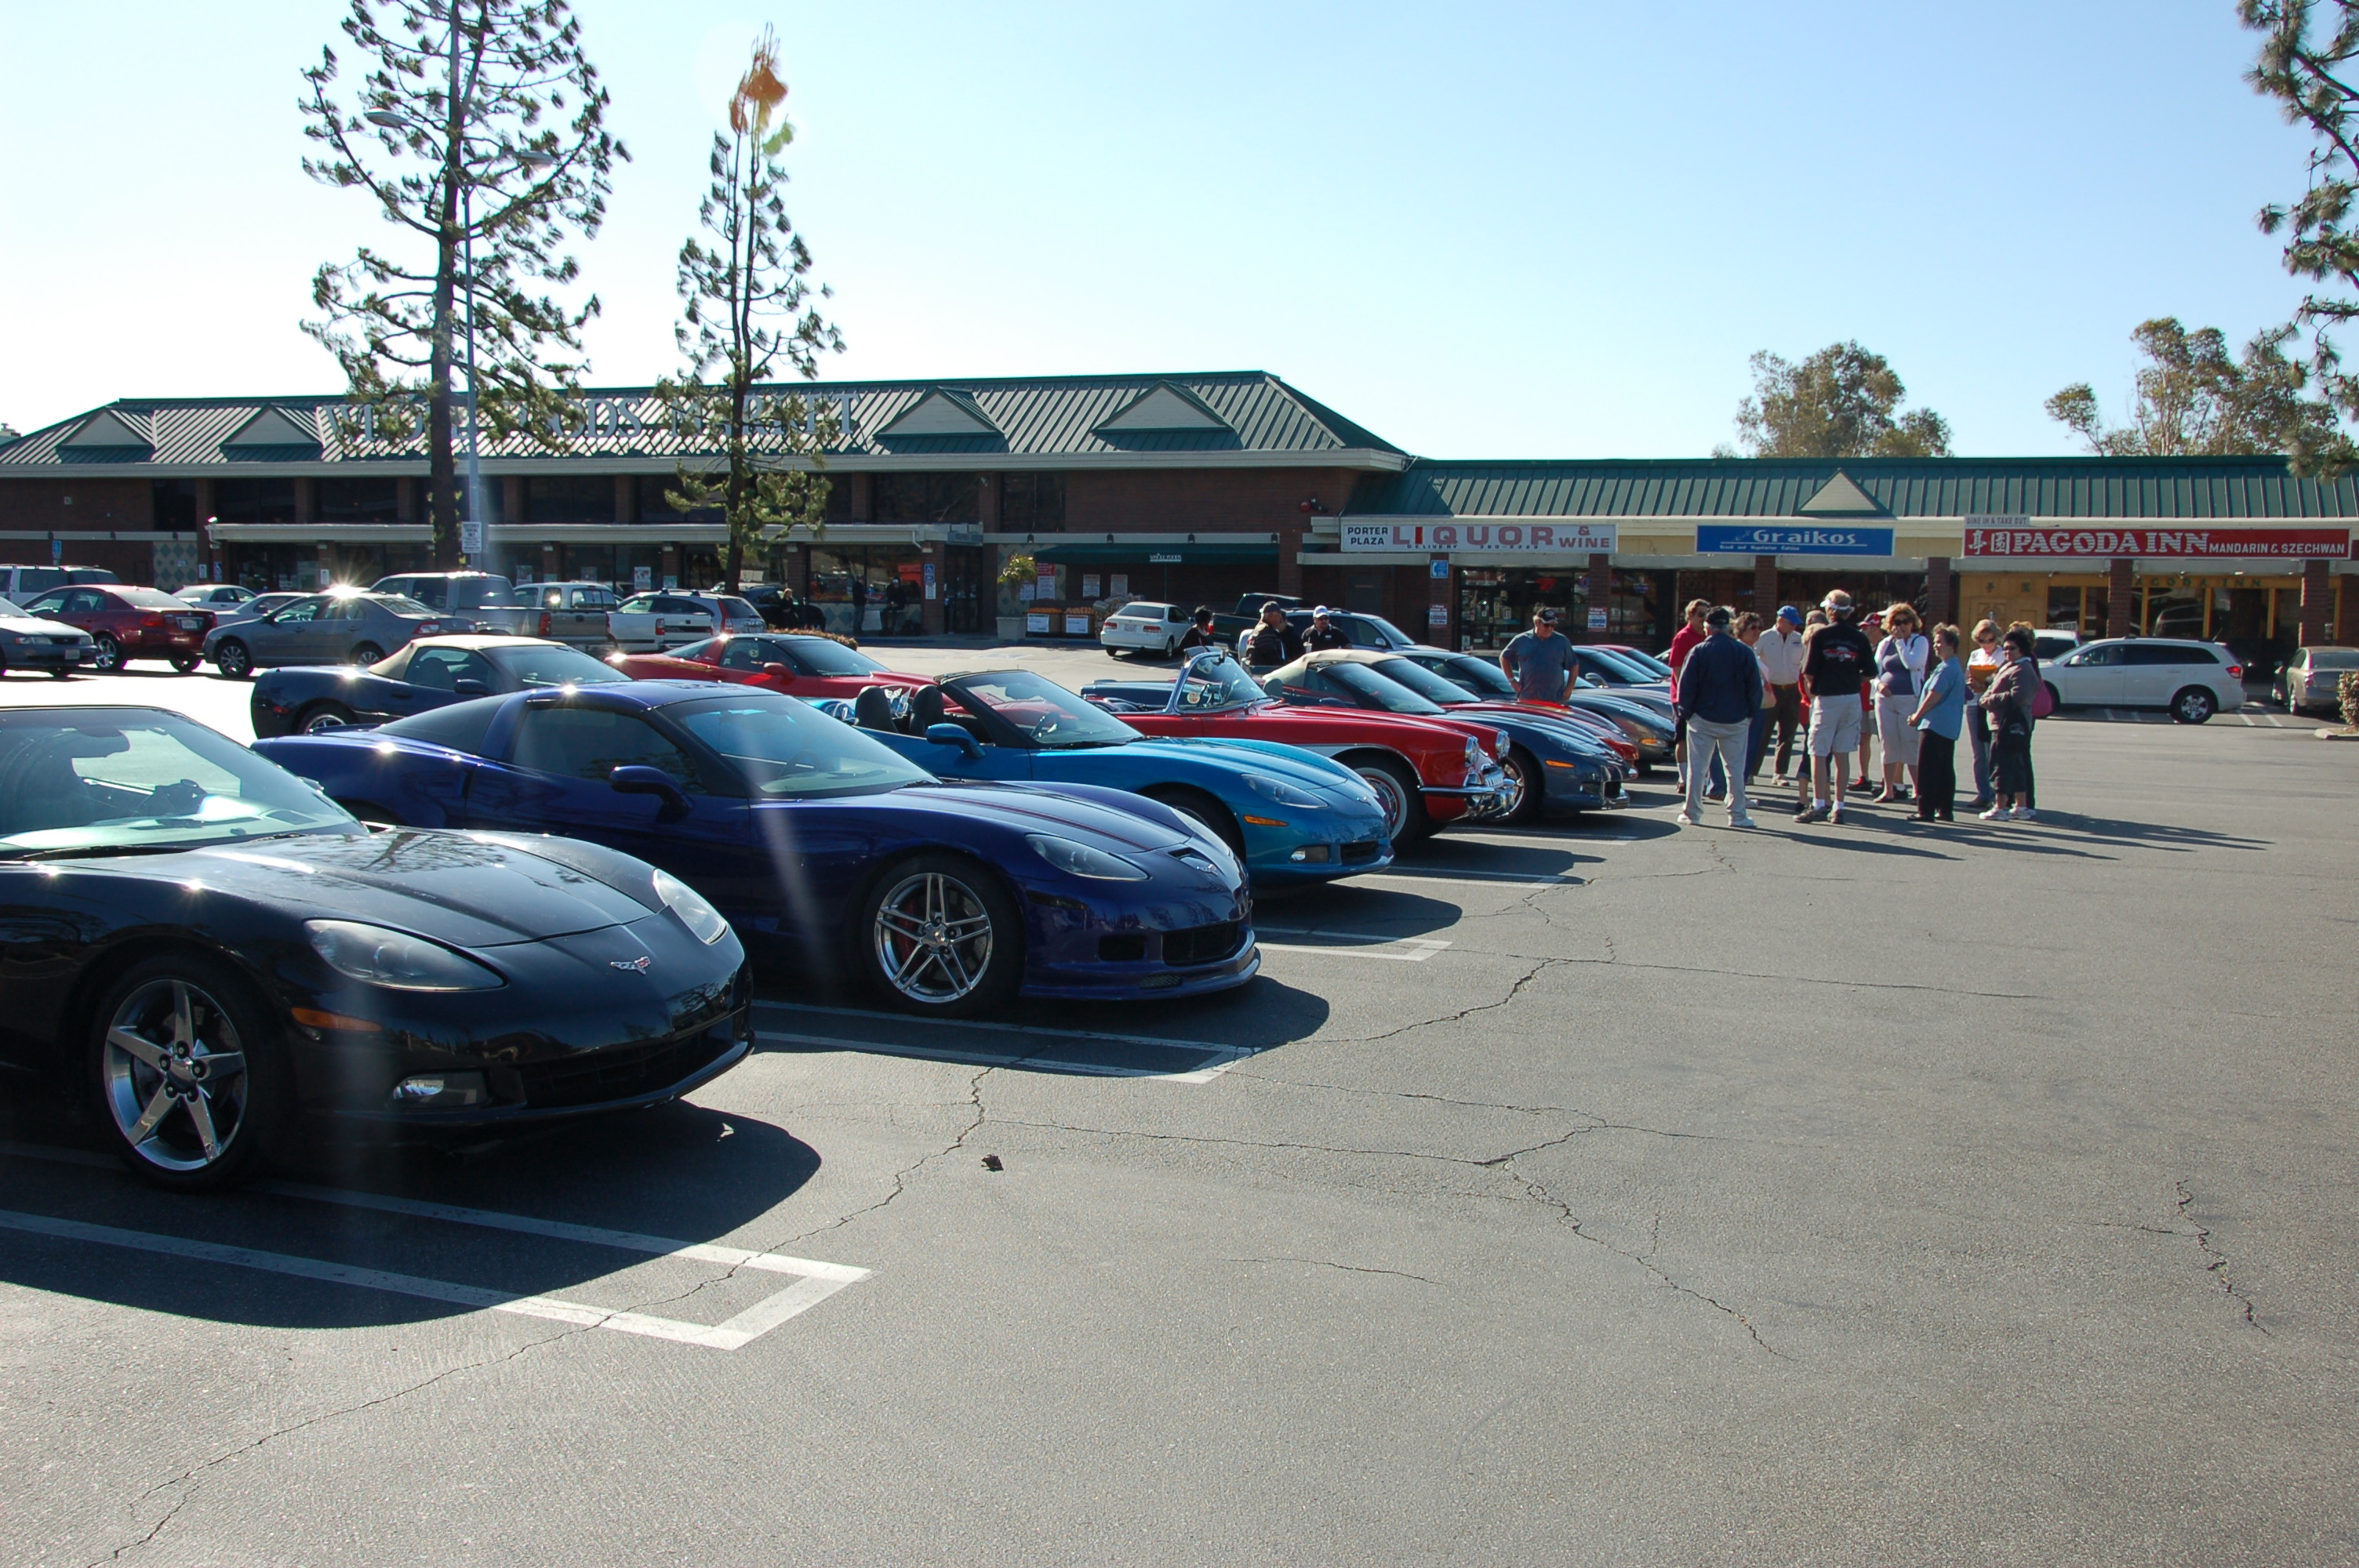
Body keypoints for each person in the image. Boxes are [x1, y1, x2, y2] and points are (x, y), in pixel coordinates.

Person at [1675, 606, 1761, 827]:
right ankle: (1737, 815)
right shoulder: (1744, 652)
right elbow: (1754, 688)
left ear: (1708, 627)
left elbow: (1686, 687)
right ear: (1728, 627)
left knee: (1697, 769)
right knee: (1735, 770)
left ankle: (1692, 813)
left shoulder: (1699, 651)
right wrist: (1750, 714)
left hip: (1703, 718)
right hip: (1736, 718)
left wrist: (1687, 714)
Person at [1795, 589, 1875, 824]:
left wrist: (1818, 687)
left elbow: (1809, 671)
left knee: (1818, 752)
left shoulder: (1821, 635)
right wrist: (1852, 681)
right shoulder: (1859, 637)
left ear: (1830, 610)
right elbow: (1870, 671)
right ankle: (1839, 806)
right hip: (1851, 698)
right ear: (1848, 612)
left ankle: (1819, 803)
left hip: (1827, 697)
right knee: (1842, 753)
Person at [1908, 623, 1967, 822]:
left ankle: (1925, 810)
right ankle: (1945, 809)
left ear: (1951, 645)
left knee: (1928, 768)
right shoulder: (1952, 667)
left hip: (1935, 724)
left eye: (1940, 642)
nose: (1936, 645)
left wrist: (1917, 715)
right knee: (1944, 768)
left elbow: (1934, 696)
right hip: (1948, 726)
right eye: (1935, 642)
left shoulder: (1947, 669)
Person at [1980, 626, 2039, 821]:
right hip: (2003, 723)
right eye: (2005, 648)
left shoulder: (2023, 668)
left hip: (2009, 724)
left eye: (2012, 648)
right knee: (2015, 766)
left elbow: (2019, 696)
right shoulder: (2010, 666)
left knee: (2002, 766)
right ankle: (2020, 806)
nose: (2007, 652)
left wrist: (1989, 700)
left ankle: (2001, 807)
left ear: (2022, 649)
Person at [1873, 602, 1928, 804]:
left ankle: (1918, 790)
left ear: (1913, 623)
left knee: (1910, 743)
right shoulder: (1884, 644)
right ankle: (1889, 789)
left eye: (1906, 622)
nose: (1902, 626)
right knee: (1888, 744)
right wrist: (1879, 685)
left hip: (1909, 699)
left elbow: (1912, 663)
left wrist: (1901, 643)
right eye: (1897, 622)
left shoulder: (1919, 642)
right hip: (1885, 700)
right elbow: (1875, 671)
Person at [1754, 604, 1807, 778]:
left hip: (1792, 690)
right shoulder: (1765, 637)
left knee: (1788, 733)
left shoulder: (1798, 639)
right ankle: (1752, 771)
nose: (1794, 626)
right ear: (1781, 620)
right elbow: (1753, 658)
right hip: (1771, 688)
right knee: (1763, 732)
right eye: (1791, 623)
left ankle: (1780, 773)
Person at [1667, 599, 1712, 795]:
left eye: (1707, 615)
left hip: (1705, 698)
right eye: (1701, 615)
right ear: (1690, 616)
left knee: (1705, 740)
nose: (1704, 619)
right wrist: (1686, 695)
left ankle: (1704, 780)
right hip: (1684, 698)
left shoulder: (1708, 637)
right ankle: (1684, 779)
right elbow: (1677, 669)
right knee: (1683, 738)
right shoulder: (1683, 637)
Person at [1965, 619, 2002, 809]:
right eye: (1982, 640)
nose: (1986, 644)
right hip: (1974, 703)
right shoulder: (1975, 655)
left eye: (1990, 640)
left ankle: (1997, 794)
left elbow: (2003, 682)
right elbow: (1967, 677)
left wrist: (1985, 685)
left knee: (1993, 752)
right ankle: (1983, 793)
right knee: (1979, 753)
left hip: (1993, 706)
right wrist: (1972, 683)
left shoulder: (2002, 655)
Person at [1499, 608, 1575, 701]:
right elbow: (1504, 658)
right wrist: (1512, 680)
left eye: (1553, 625)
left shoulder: (1562, 641)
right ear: (1537, 623)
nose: (1550, 628)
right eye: (1546, 625)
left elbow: (1574, 666)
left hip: (1554, 699)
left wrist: (1569, 689)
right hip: (1527, 697)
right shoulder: (1521, 640)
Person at [1736, 612, 1776, 782]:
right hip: (1745, 706)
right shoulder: (1739, 650)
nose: (1757, 631)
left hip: (1758, 705)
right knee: (1742, 747)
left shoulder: (1752, 651)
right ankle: (1737, 783)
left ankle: (1743, 781)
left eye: (1760, 627)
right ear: (1741, 629)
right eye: (1753, 627)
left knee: (1752, 746)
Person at [1243, 601, 1303, 668]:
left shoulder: (1262, 630)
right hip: (1264, 672)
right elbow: (1272, 660)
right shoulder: (1266, 633)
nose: (1280, 617)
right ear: (1270, 616)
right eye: (1278, 614)